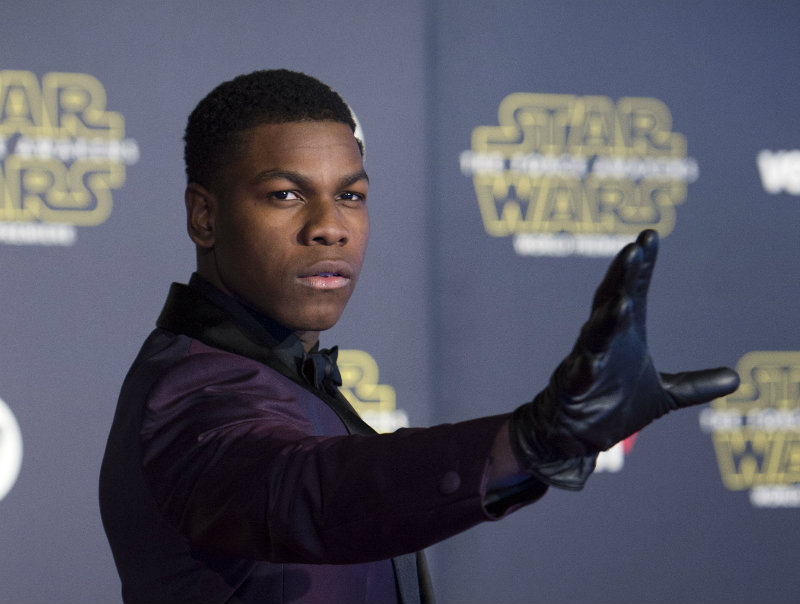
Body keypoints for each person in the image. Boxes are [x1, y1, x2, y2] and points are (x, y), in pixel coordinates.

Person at [99, 69, 739, 604]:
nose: (331, 227)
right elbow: (314, 493)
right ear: (203, 216)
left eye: (351, 196)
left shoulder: (278, 370)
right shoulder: (194, 390)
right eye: (286, 194)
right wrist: (530, 439)